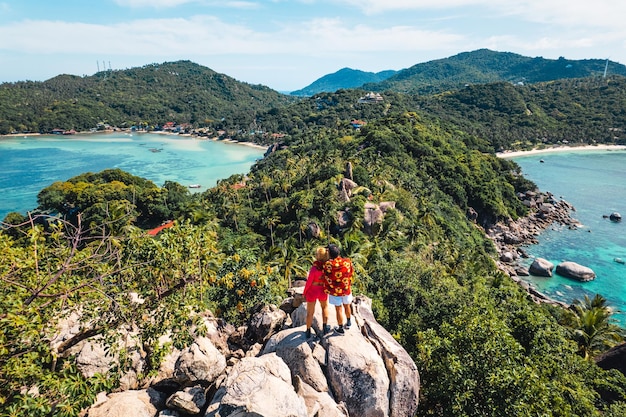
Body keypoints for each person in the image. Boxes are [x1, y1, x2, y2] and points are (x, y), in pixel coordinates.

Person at [323, 243, 354, 335]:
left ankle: (340, 328)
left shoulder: (328, 265)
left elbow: (325, 275)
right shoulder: (347, 262)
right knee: (347, 305)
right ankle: (348, 322)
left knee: (338, 309)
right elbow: (351, 273)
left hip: (335, 292)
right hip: (346, 289)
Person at [302, 246, 331, 338]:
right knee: (324, 308)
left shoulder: (314, 268)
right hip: (322, 290)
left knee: (310, 312)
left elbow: (309, 282)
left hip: (313, 290)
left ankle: (308, 330)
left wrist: (304, 292)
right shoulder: (327, 267)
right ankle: (325, 326)